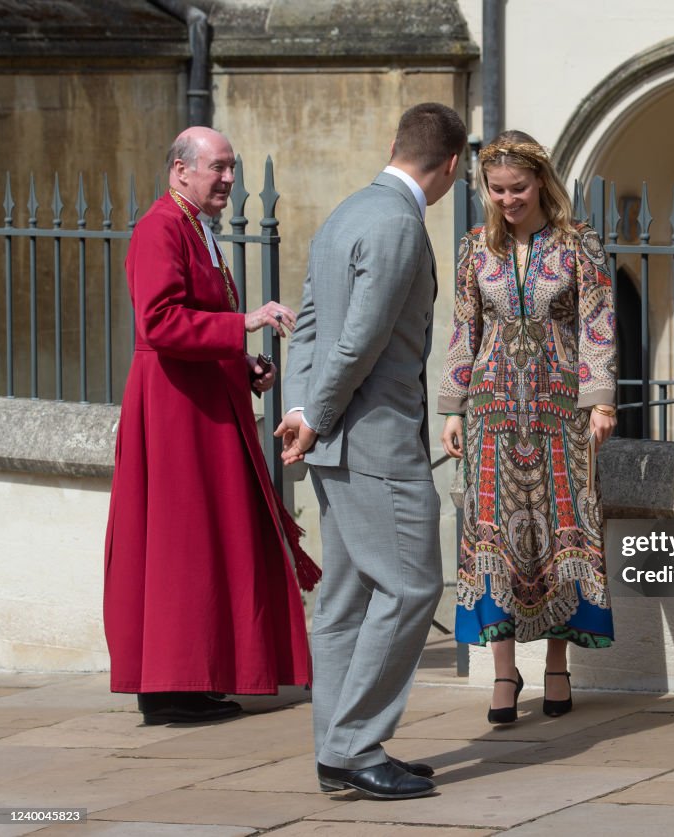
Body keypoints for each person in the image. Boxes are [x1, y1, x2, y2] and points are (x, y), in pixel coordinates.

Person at [275, 103, 466, 800]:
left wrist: (299, 410)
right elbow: (357, 340)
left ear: (394, 145)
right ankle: (355, 745)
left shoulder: (347, 211)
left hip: (338, 441)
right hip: (375, 443)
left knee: (350, 598)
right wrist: (315, 415)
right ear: (452, 166)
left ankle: (338, 748)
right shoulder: (395, 222)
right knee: (413, 586)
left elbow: (311, 327)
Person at [104, 126, 318, 726]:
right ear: (180, 170)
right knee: (182, 543)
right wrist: (244, 324)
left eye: (231, 167)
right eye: (218, 168)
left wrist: (239, 361)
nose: (228, 178)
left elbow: (194, 320)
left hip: (200, 399)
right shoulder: (160, 227)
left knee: (210, 539)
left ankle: (196, 677)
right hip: (174, 411)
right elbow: (159, 324)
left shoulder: (194, 225)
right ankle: (170, 686)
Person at [439, 131, 617, 725]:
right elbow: (465, 327)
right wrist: (452, 406)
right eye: (496, 189)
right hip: (491, 409)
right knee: (495, 536)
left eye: (517, 188)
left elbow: (597, 324)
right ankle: (504, 671)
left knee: (560, 532)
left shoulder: (579, 244)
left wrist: (601, 402)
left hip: (560, 407)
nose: (507, 199)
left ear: (541, 181)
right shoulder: (473, 249)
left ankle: (559, 666)